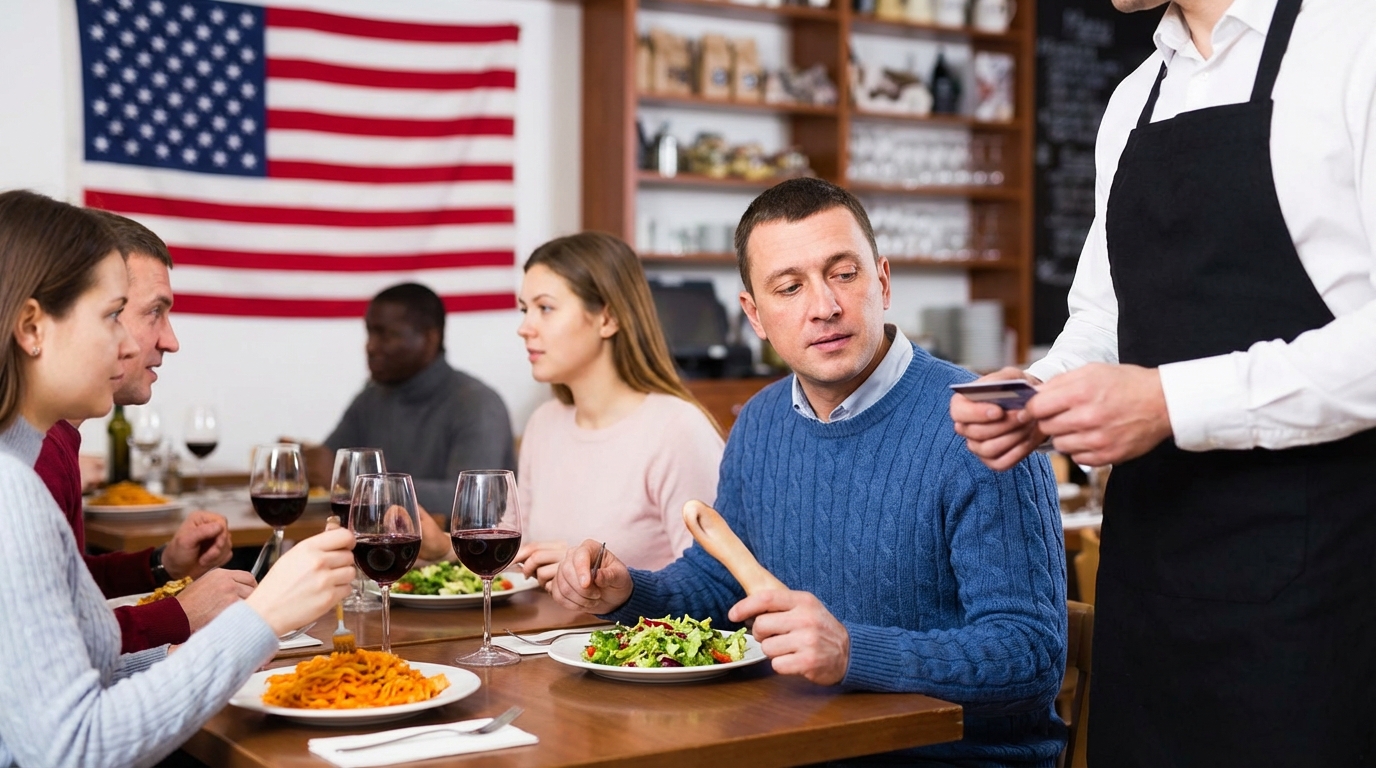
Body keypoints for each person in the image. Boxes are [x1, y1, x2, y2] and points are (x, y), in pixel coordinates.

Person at [950, 0, 1376, 764]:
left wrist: (1172, 401)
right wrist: (1041, 392)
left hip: (1326, 596)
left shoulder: (1357, 43)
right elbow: (1106, 315)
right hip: (1149, 591)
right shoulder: (1134, 98)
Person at [549, 178, 1067, 765]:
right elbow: (723, 585)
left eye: (844, 274)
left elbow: (1031, 656)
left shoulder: (985, 422)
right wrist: (629, 592)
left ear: (883, 281)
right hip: (792, 743)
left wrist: (852, 652)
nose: (824, 306)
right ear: (755, 316)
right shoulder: (762, 420)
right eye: (789, 287)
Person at [0, 189, 356, 767]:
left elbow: (52, 683)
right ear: (32, 328)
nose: (130, 343)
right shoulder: (11, 485)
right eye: (114, 315)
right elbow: (71, 750)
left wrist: (196, 654)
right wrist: (259, 621)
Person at [34, 210, 252, 655]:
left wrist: (161, 564)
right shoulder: (32, 453)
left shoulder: (57, 437)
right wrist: (182, 613)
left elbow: (59, 588)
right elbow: (54, 646)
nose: (169, 341)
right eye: (153, 312)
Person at [512, 232, 724, 584]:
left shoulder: (678, 430)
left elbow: (713, 587)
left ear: (608, 319)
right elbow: (517, 562)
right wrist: (444, 549)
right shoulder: (543, 423)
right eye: (524, 309)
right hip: (541, 637)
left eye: (545, 308)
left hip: (633, 638)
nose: (524, 328)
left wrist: (589, 574)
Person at [302, 283, 516, 518]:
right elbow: (332, 464)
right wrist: (311, 463)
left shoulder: (477, 403)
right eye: (370, 332)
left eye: (387, 334)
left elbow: (474, 498)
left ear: (430, 338)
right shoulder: (371, 398)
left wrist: (372, 487)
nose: (371, 346)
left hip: (452, 553)